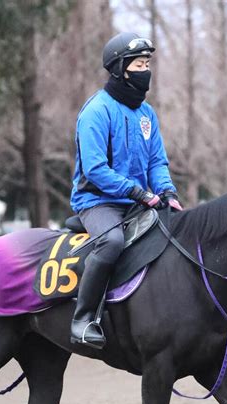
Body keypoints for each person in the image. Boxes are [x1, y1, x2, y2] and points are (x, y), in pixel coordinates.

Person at [70, 31, 182, 349]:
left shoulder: (147, 114)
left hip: (138, 199)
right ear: (120, 69)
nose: (145, 70)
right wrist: (138, 193)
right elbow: (95, 169)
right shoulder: (96, 112)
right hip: (97, 201)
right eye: (138, 64)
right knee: (112, 242)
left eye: (148, 63)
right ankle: (83, 319)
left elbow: (157, 162)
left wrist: (168, 193)